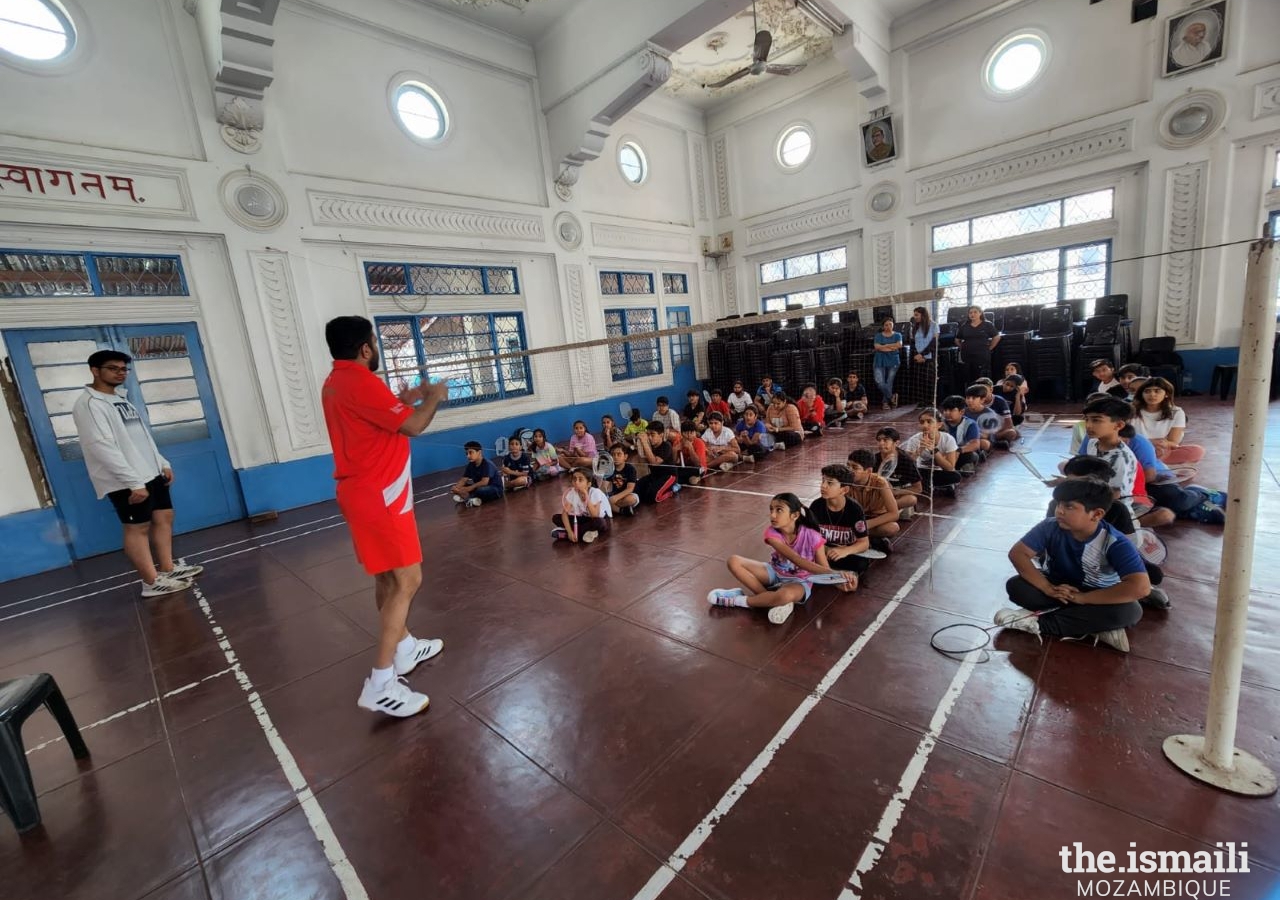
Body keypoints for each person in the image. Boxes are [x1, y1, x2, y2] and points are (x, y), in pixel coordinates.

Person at [320, 315, 449, 718]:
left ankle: (405, 647)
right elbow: (411, 426)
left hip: (360, 492)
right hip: (382, 495)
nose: (376, 348)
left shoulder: (335, 382)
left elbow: (382, 417)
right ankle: (380, 682)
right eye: (374, 342)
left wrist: (408, 397)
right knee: (409, 579)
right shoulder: (361, 382)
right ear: (364, 348)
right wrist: (434, 397)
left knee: (387, 576)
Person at [71, 349, 203, 598]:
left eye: (123, 369)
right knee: (137, 528)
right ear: (95, 370)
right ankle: (151, 583)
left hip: (150, 472)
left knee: (164, 516)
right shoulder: (89, 404)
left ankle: (168, 569)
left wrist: (162, 463)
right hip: (127, 480)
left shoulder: (121, 398)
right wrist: (134, 482)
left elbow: (141, 437)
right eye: (113, 368)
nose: (120, 373)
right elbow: (101, 446)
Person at [994, 477, 1149, 653]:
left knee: (1130, 611)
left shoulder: (1115, 542)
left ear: (1096, 514)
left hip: (1097, 595)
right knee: (1017, 586)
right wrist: (1048, 588)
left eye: (1069, 507)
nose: (1059, 511)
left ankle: (1038, 623)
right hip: (1058, 586)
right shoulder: (1050, 526)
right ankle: (1094, 625)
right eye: (1059, 504)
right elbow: (1018, 554)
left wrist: (1082, 598)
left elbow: (1140, 588)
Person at [708, 492, 852, 625]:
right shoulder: (772, 533)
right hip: (774, 572)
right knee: (733, 561)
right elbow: (796, 559)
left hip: (800, 581)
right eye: (771, 510)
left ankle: (738, 600)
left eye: (779, 510)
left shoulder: (813, 536)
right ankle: (769, 600)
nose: (772, 515)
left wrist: (840, 580)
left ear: (794, 515)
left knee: (785, 595)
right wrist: (836, 575)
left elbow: (824, 568)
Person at [808, 465, 871, 585]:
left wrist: (845, 551)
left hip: (844, 553)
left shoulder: (855, 509)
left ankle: (831, 574)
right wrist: (825, 550)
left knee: (861, 563)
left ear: (844, 490)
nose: (823, 485)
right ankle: (834, 574)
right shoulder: (816, 506)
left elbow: (864, 543)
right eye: (823, 481)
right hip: (823, 552)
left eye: (830, 483)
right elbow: (811, 538)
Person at [1131, 377, 1205, 465]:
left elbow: (1173, 442)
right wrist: (1150, 443)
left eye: (1157, 391)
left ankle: (1149, 465)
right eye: (1147, 391)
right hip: (1137, 449)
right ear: (1142, 395)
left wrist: (1162, 444)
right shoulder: (1131, 410)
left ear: (1166, 394)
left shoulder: (1176, 412)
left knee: (1197, 451)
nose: (1152, 394)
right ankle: (1155, 466)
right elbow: (1125, 438)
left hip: (1162, 450)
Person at [900, 408, 963, 497]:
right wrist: (920, 450)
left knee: (956, 476)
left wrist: (934, 450)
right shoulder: (914, 440)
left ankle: (928, 487)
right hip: (921, 472)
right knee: (906, 474)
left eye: (929, 422)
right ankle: (936, 487)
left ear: (939, 425)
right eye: (922, 422)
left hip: (939, 472)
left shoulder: (948, 439)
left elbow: (949, 467)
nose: (925, 425)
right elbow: (907, 465)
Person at [846, 449, 901, 547]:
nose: (849, 470)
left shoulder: (880, 482)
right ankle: (867, 538)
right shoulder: (844, 481)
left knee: (892, 528)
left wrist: (864, 525)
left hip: (874, 519)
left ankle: (859, 536)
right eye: (848, 466)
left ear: (868, 471)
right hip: (854, 519)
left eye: (855, 467)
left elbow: (894, 514)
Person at [552, 467, 612, 543]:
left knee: (599, 522)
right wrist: (570, 531)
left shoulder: (595, 492)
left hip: (600, 519)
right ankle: (579, 533)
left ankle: (568, 534)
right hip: (585, 519)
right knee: (556, 518)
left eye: (580, 480)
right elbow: (565, 514)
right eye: (574, 479)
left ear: (588, 484)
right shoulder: (572, 492)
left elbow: (595, 515)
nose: (576, 482)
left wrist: (586, 497)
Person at [874, 427, 921, 518]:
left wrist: (894, 492)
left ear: (896, 443)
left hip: (898, 492)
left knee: (911, 499)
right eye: (879, 440)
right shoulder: (874, 458)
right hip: (879, 491)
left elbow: (918, 489)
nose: (881, 443)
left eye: (885, 440)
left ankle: (881, 509)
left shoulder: (906, 460)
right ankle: (883, 509)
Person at [633, 421, 679, 503]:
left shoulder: (666, 446)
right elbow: (642, 462)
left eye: (652, 434)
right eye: (648, 434)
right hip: (655, 475)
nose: (649, 437)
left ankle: (671, 491)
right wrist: (640, 447)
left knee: (653, 497)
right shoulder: (650, 447)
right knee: (636, 489)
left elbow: (654, 462)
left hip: (669, 476)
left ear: (661, 435)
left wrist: (644, 443)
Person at [451, 441, 504, 507]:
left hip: (494, 489)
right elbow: (463, 479)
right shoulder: (470, 465)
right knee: (465, 486)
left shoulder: (487, 464)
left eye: (470, 453)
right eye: (466, 453)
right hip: (478, 487)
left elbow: (484, 482)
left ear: (479, 452)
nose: (468, 456)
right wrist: (456, 488)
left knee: (480, 490)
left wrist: (469, 488)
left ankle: (468, 498)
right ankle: (472, 499)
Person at [956, 306, 1000, 385]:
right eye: (970, 313)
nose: (972, 314)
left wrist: (990, 348)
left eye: (975, 312)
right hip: (967, 356)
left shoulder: (987, 324)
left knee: (982, 379)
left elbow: (996, 337)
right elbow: (957, 340)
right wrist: (963, 347)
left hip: (982, 356)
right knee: (969, 379)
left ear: (980, 313)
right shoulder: (964, 326)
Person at [907, 306, 939, 407]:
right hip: (917, 357)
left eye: (916, 315)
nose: (915, 317)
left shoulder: (934, 325)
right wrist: (916, 355)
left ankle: (930, 402)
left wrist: (923, 354)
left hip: (929, 357)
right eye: (914, 315)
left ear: (923, 315)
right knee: (919, 380)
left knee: (928, 380)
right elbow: (913, 342)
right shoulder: (915, 326)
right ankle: (922, 401)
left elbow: (934, 343)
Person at [873, 317, 903, 410]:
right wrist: (891, 347)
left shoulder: (898, 335)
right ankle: (892, 397)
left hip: (893, 361)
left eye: (890, 324)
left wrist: (884, 346)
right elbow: (877, 346)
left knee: (889, 382)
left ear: (893, 324)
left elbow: (899, 345)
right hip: (879, 360)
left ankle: (885, 403)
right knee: (880, 382)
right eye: (886, 325)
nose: (888, 326)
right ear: (883, 326)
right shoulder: (878, 335)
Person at [604, 443, 640, 516]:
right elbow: (604, 486)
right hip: (614, 495)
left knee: (631, 499)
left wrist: (614, 499)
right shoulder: (610, 469)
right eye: (613, 455)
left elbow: (630, 489)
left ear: (625, 456)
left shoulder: (630, 469)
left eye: (619, 454)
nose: (615, 457)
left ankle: (612, 508)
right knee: (604, 500)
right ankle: (622, 511)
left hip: (628, 494)